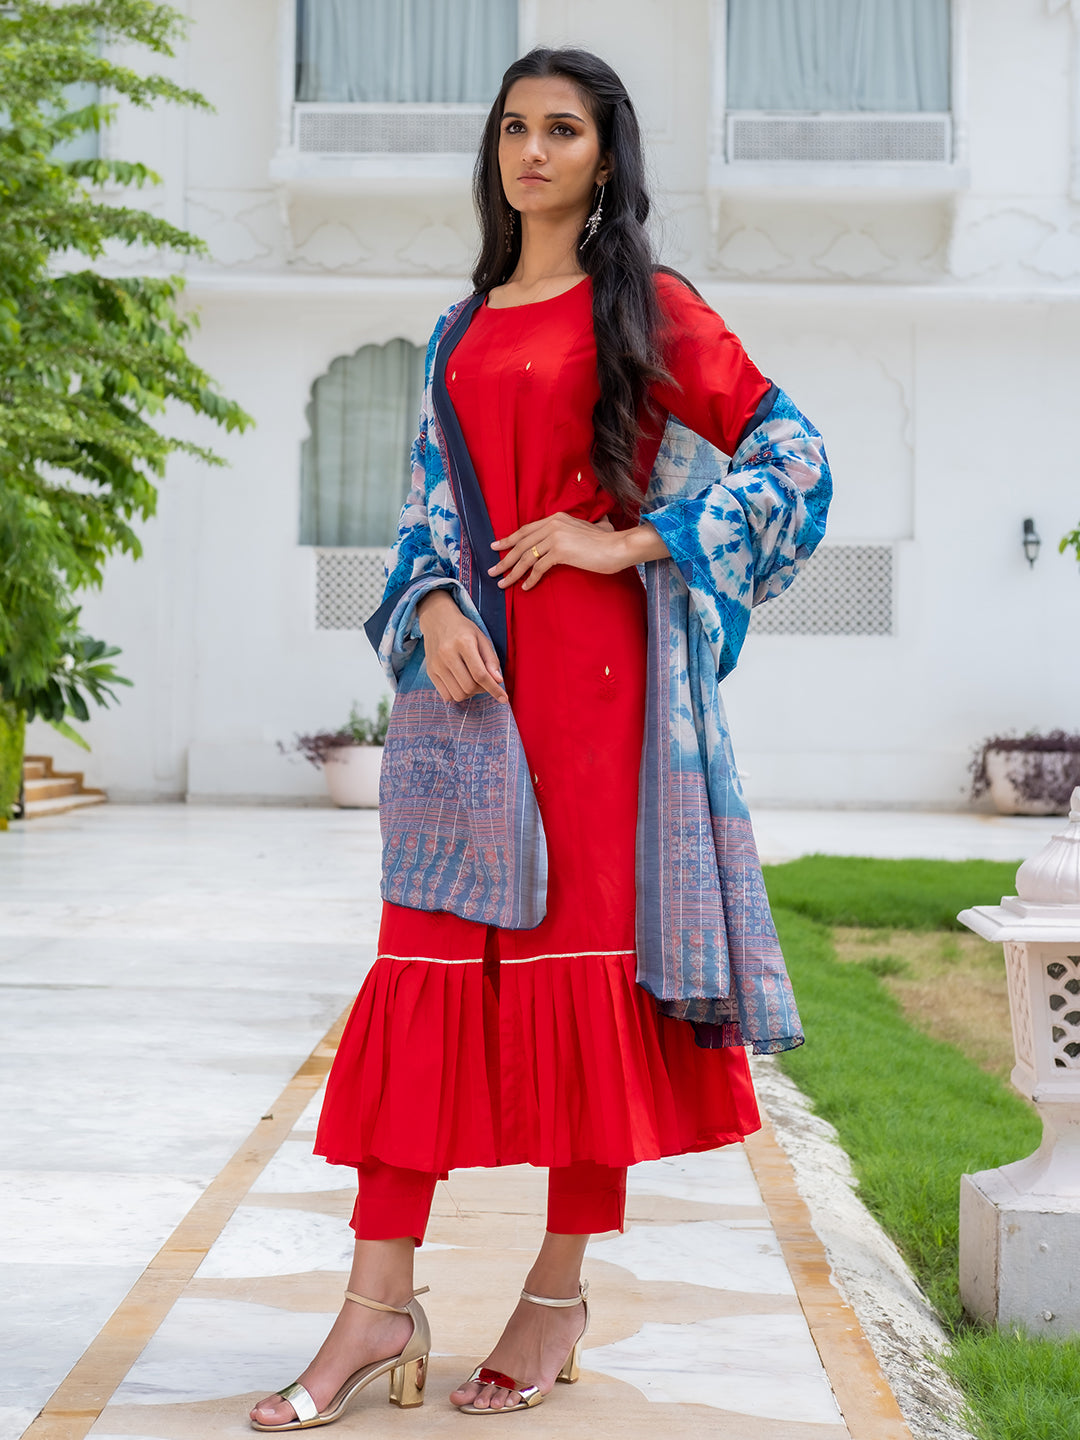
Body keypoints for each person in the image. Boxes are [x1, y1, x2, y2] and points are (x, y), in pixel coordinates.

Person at [250, 45, 830, 1432]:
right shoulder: (459, 330)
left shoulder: (649, 311)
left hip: (599, 701)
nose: (531, 150)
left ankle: (555, 1294)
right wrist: (436, 596)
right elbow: (422, 511)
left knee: (585, 995)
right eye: (514, 127)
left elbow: (792, 459)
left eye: (562, 129)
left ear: (606, 158)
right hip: (467, 703)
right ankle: (375, 1302)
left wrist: (625, 535)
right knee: (425, 975)